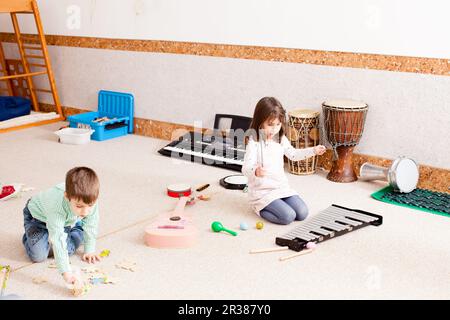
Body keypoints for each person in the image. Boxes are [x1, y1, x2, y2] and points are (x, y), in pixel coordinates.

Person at [242, 97, 326, 225]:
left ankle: (279, 204)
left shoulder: (280, 138)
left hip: (280, 188)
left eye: (278, 124)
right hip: (263, 192)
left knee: (302, 213)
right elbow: (245, 168)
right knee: (288, 217)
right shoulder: (254, 142)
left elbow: (293, 154)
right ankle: (258, 208)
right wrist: (255, 171)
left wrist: (313, 150)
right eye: (270, 125)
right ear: (260, 122)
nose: (274, 129)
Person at [22, 167, 101, 285]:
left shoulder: (89, 199)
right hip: (38, 219)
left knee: (67, 250)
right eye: (79, 206)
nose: (85, 212)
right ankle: (28, 235)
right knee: (38, 256)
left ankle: (77, 226)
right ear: (67, 196)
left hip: (65, 221)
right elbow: (58, 241)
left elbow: (91, 224)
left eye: (90, 205)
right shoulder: (56, 207)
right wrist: (66, 273)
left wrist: (89, 249)